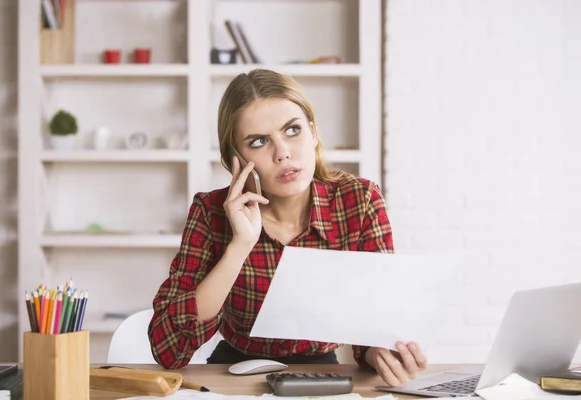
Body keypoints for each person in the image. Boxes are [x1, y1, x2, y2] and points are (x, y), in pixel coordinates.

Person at [148, 69, 428, 386]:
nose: (282, 153)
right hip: (234, 376)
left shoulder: (359, 201)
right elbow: (169, 349)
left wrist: (379, 352)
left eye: (292, 130)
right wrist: (240, 244)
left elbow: (374, 316)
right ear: (236, 158)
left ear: (313, 133)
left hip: (324, 375)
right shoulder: (211, 212)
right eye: (259, 141)